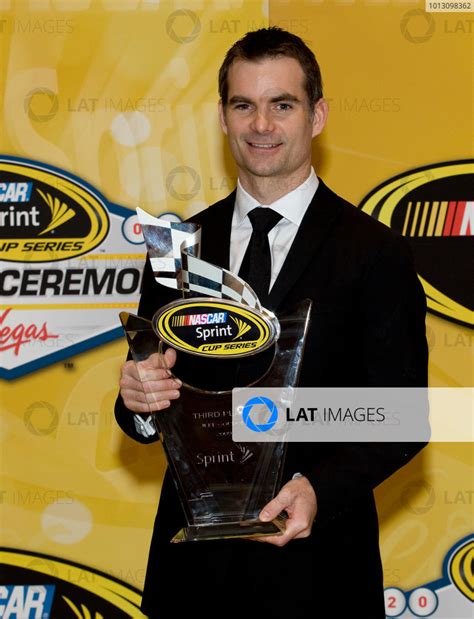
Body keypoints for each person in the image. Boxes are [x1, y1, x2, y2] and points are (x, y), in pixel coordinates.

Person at [115, 27, 428, 618]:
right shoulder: (176, 247)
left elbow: (406, 414)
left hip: (319, 566)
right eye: (244, 105)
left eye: (282, 104)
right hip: (192, 575)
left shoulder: (373, 251)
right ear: (222, 117)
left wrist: (319, 488)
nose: (262, 125)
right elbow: (149, 412)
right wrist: (136, 401)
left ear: (317, 116)